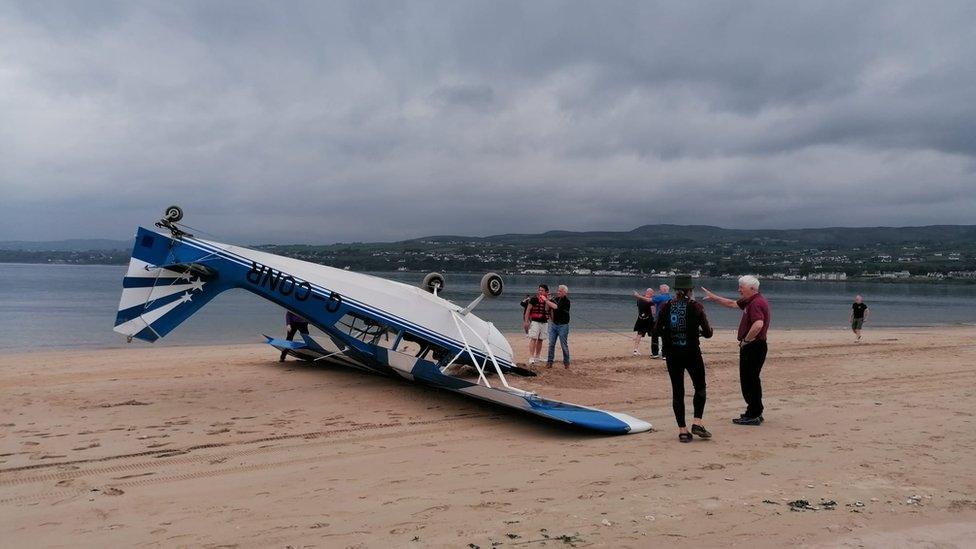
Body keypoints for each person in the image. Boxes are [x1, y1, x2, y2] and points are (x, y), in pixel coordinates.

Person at [701, 275, 771, 426]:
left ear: (752, 289)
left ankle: (753, 414)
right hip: (756, 346)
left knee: (749, 381)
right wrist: (714, 297)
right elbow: (732, 304)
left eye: (741, 287)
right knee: (751, 380)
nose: (739, 290)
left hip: (754, 346)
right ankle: (755, 411)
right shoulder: (752, 300)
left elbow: (758, 324)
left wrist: (746, 340)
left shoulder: (756, 303)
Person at [654, 274, 714, 442]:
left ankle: (682, 430)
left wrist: (669, 333)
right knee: (700, 386)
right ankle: (697, 421)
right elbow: (708, 333)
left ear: (675, 290)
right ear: (690, 290)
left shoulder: (666, 306)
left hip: (672, 354)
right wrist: (701, 332)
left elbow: (656, 330)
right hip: (692, 353)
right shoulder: (696, 307)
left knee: (678, 391)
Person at [545, 285, 571, 368]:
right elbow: (547, 309)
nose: (558, 292)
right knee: (551, 344)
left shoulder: (567, 301)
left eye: (560, 291)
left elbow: (556, 307)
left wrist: (546, 300)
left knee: (564, 345)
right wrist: (548, 301)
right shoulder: (556, 299)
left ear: (565, 292)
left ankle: (566, 362)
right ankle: (549, 362)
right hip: (554, 325)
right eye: (558, 290)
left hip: (563, 325)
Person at [522, 284, 550, 365]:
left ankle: (537, 356)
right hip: (535, 321)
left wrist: (546, 300)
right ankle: (531, 357)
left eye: (542, 290)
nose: (540, 291)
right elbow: (528, 310)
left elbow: (547, 309)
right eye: (539, 290)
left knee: (541, 339)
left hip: (544, 322)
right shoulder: (534, 299)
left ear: (546, 292)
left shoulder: (547, 300)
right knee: (533, 338)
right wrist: (526, 321)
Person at [650, 284, 673, 358]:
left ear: (664, 290)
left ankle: (655, 353)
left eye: (660, 289)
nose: (659, 290)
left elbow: (649, 300)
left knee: (654, 335)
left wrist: (638, 296)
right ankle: (665, 354)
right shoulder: (671, 297)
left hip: (659, 320)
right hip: (668, 320)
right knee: (665, 337)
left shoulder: (660, 297)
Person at [631, 288, 655, 355]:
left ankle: (635, 350)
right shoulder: (650, 301)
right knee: (654, 334)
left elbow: (639, 308)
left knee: (639, 334)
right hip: (649, 320)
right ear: (651, 293)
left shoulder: (639, 300)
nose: (653, 295)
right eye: (653, 293)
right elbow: (653, 312)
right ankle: (656, 350)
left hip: (640, 318)